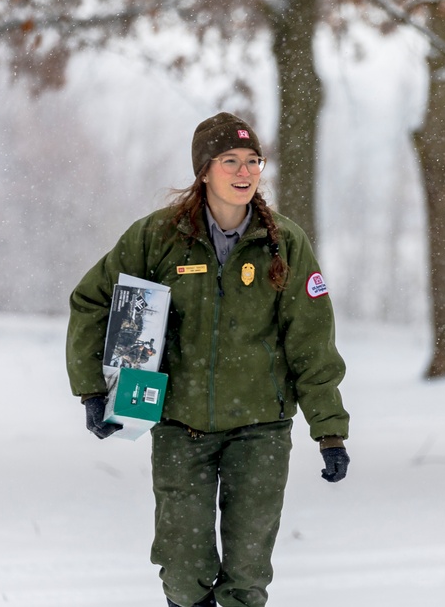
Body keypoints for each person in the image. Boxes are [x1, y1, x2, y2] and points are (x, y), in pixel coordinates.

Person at [65, 112, 351, 607]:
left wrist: (329, 431)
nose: (245, 172)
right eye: (230, 161)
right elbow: (92, 298)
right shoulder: (157, 237)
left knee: (246, 577)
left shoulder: (284, 242)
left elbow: (311, 342)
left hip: (261, 429)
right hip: (180, 424)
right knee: (183, 569)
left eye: (253, 161)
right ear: (204, 171)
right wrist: (93, 389)